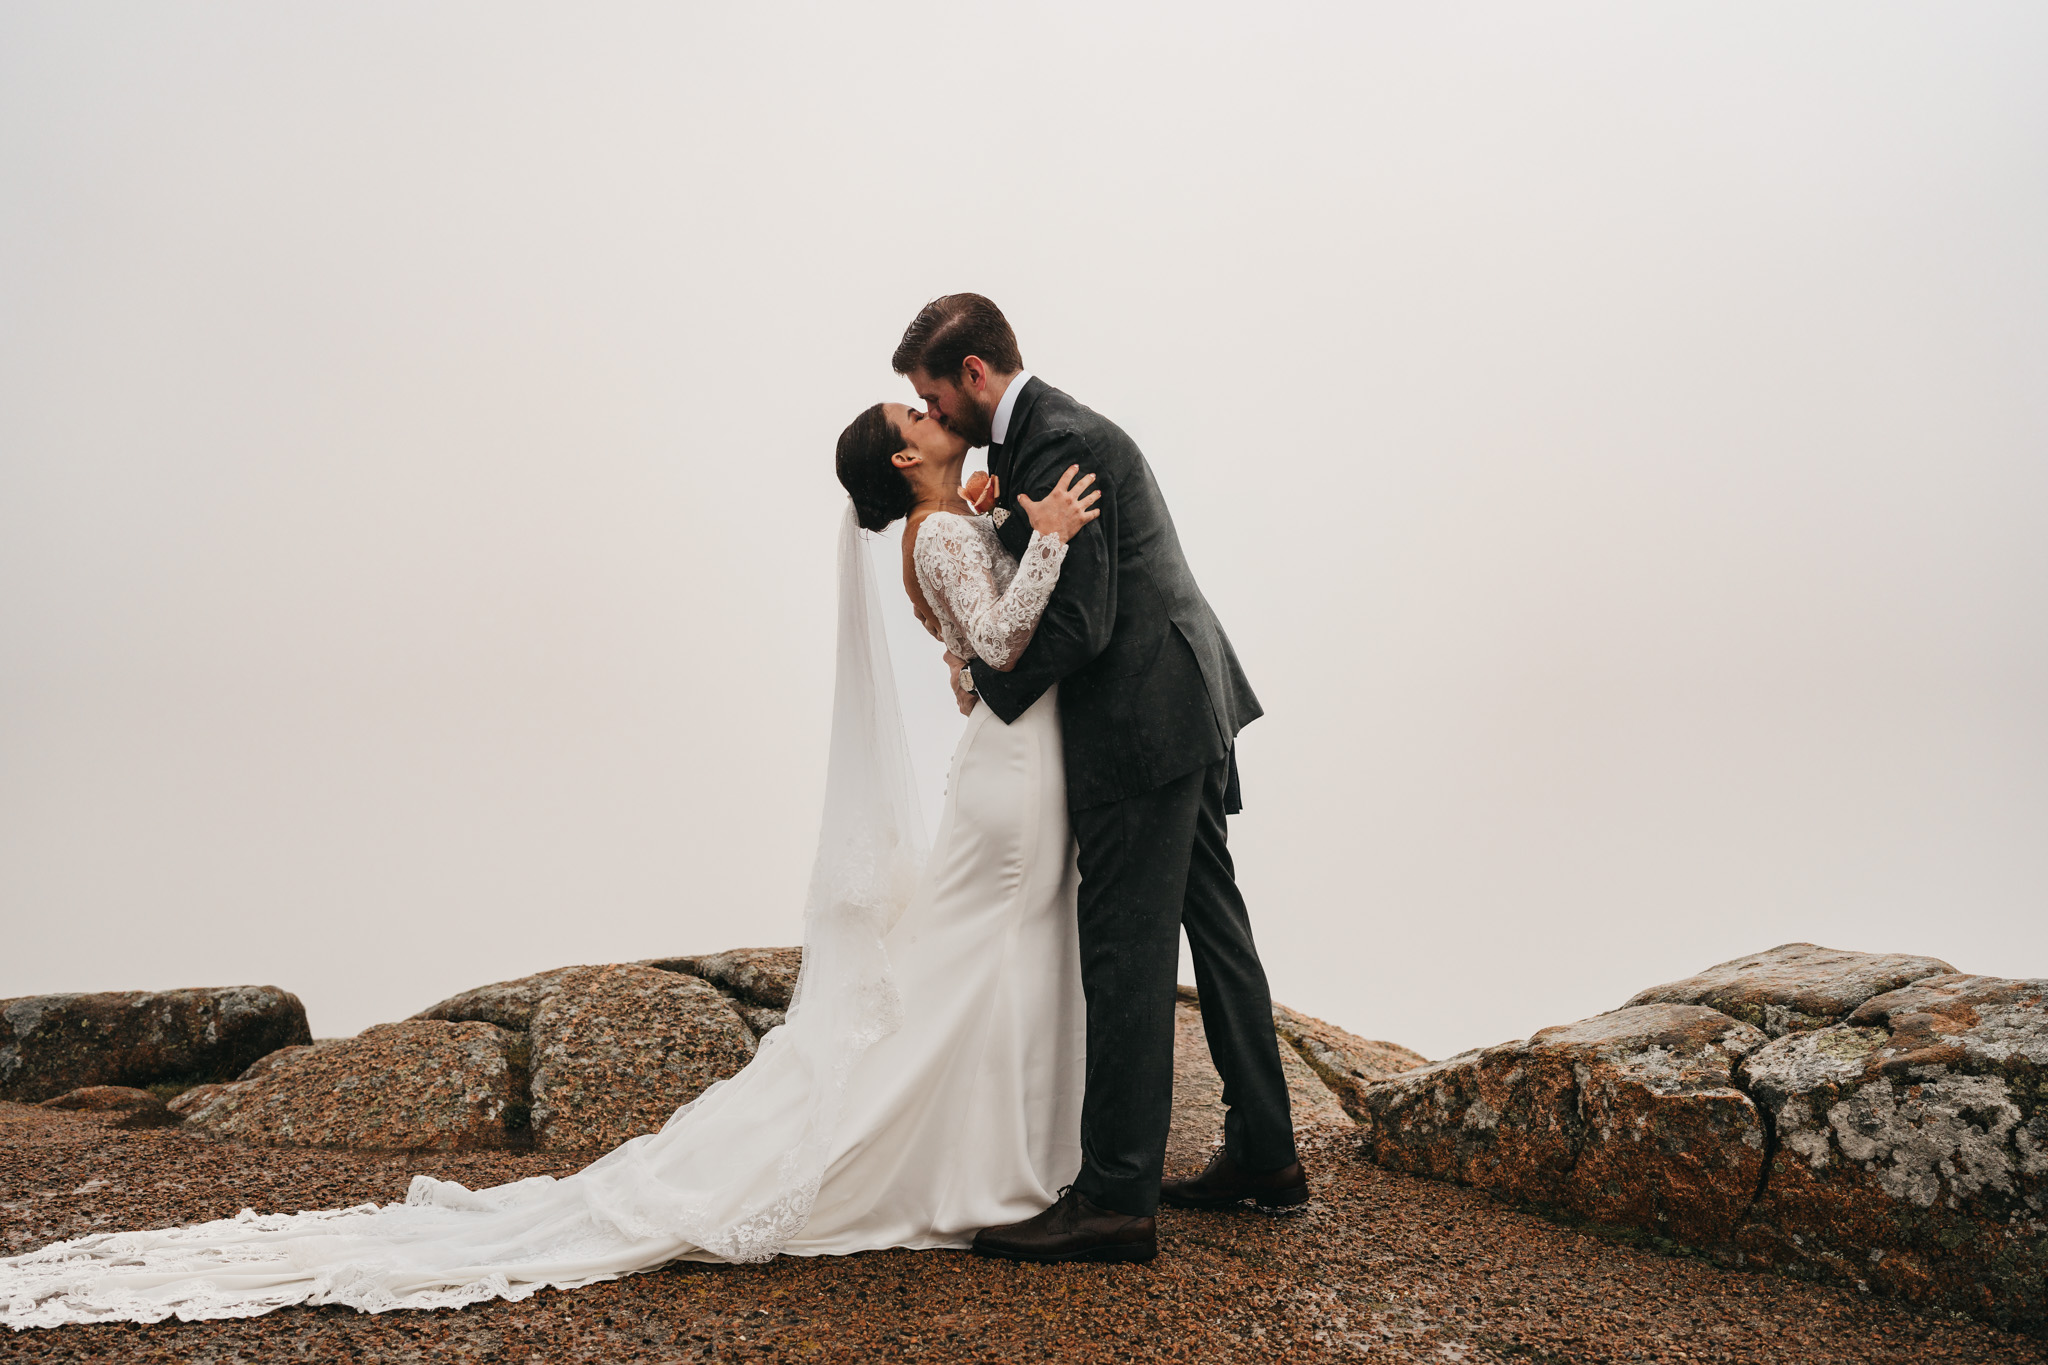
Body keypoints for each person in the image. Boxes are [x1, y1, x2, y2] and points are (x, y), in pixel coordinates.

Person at [0, 395, 1104, 1329]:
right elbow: (1003, 652)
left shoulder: (935, 536)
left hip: (999, 765)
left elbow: (964, 679)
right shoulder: (943, 534)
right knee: (968, 972)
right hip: (1011, 774)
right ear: (905, 456)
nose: (931, 413)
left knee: (960, 976)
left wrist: (1001, 528)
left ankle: (979, 1159)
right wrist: (1043, 532)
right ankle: (975, 1163)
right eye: (914, 412)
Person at [893, 294, 1304, 1265]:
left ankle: (1115, 1198)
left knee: (1123, 948)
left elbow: (1078, 624)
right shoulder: (1036, 440)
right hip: (1181, 697)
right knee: (1215, 923)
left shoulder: (1054, 444)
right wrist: (1001, 534)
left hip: (1140, 725)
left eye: (931, 397)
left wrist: (985, 683)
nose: (933, 416)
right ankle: (1266, 1153)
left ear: (974, 377)